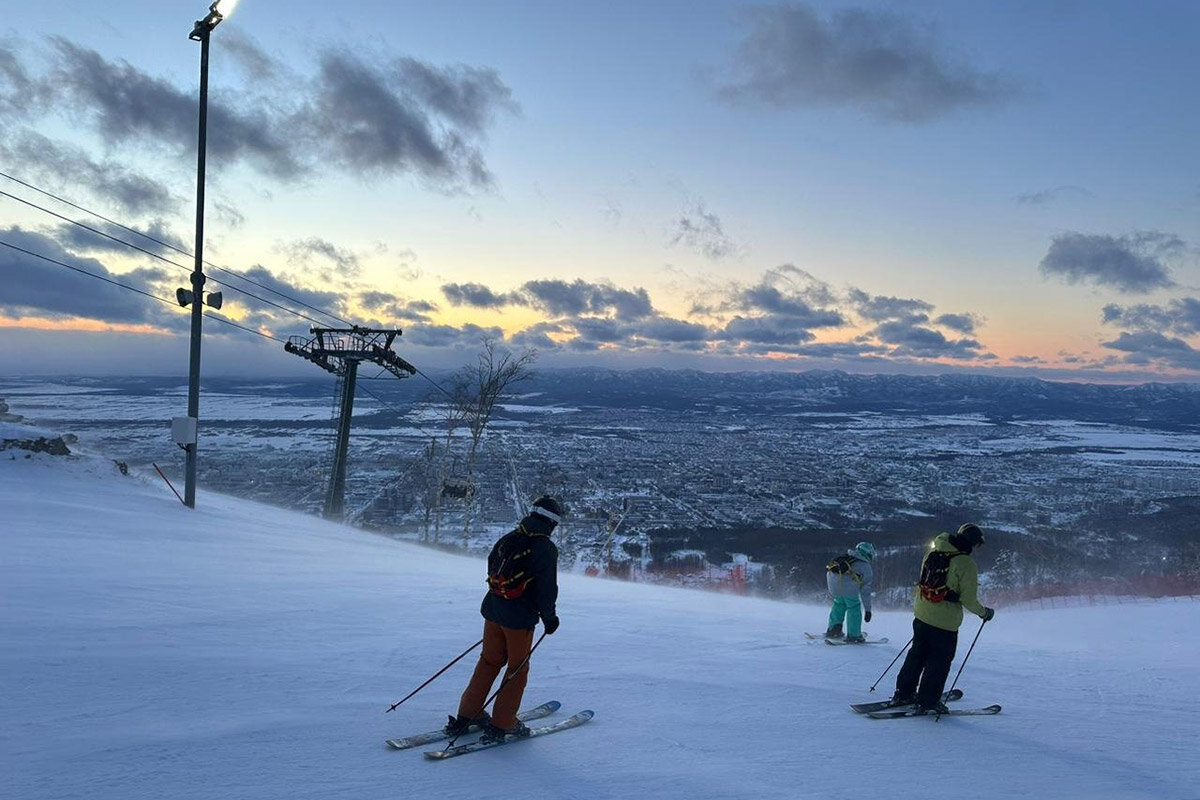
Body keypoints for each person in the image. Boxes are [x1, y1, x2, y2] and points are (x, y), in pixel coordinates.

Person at [445, 495, 563, 743]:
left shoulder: (508, 539)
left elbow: (491, 569)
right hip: (518, 619)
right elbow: (546, 588)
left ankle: (467, 714)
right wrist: (549, 617)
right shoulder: (544, 548)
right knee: (517, 669)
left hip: (493, 609)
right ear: (552, 523)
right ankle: (503, 723)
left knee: (489, 661)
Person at [892, 522, 995, 714]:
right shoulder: (965, 563)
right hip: (945, 622)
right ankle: (928, 701)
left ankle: (903, 693)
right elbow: (969, 600)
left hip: (922, 614)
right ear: (972, 543)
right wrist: (984, 613)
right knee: (938, 662)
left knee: (917, 655)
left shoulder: (933, 551)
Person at [825, 541, 875, 643]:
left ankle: (834, 630)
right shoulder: (865, 566)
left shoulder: (847, 558)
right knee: (854, 608)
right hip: (849, 590)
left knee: (839, 605)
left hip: (835, 588)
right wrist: (868, 610)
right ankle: (854, 635)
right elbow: (865, 590)